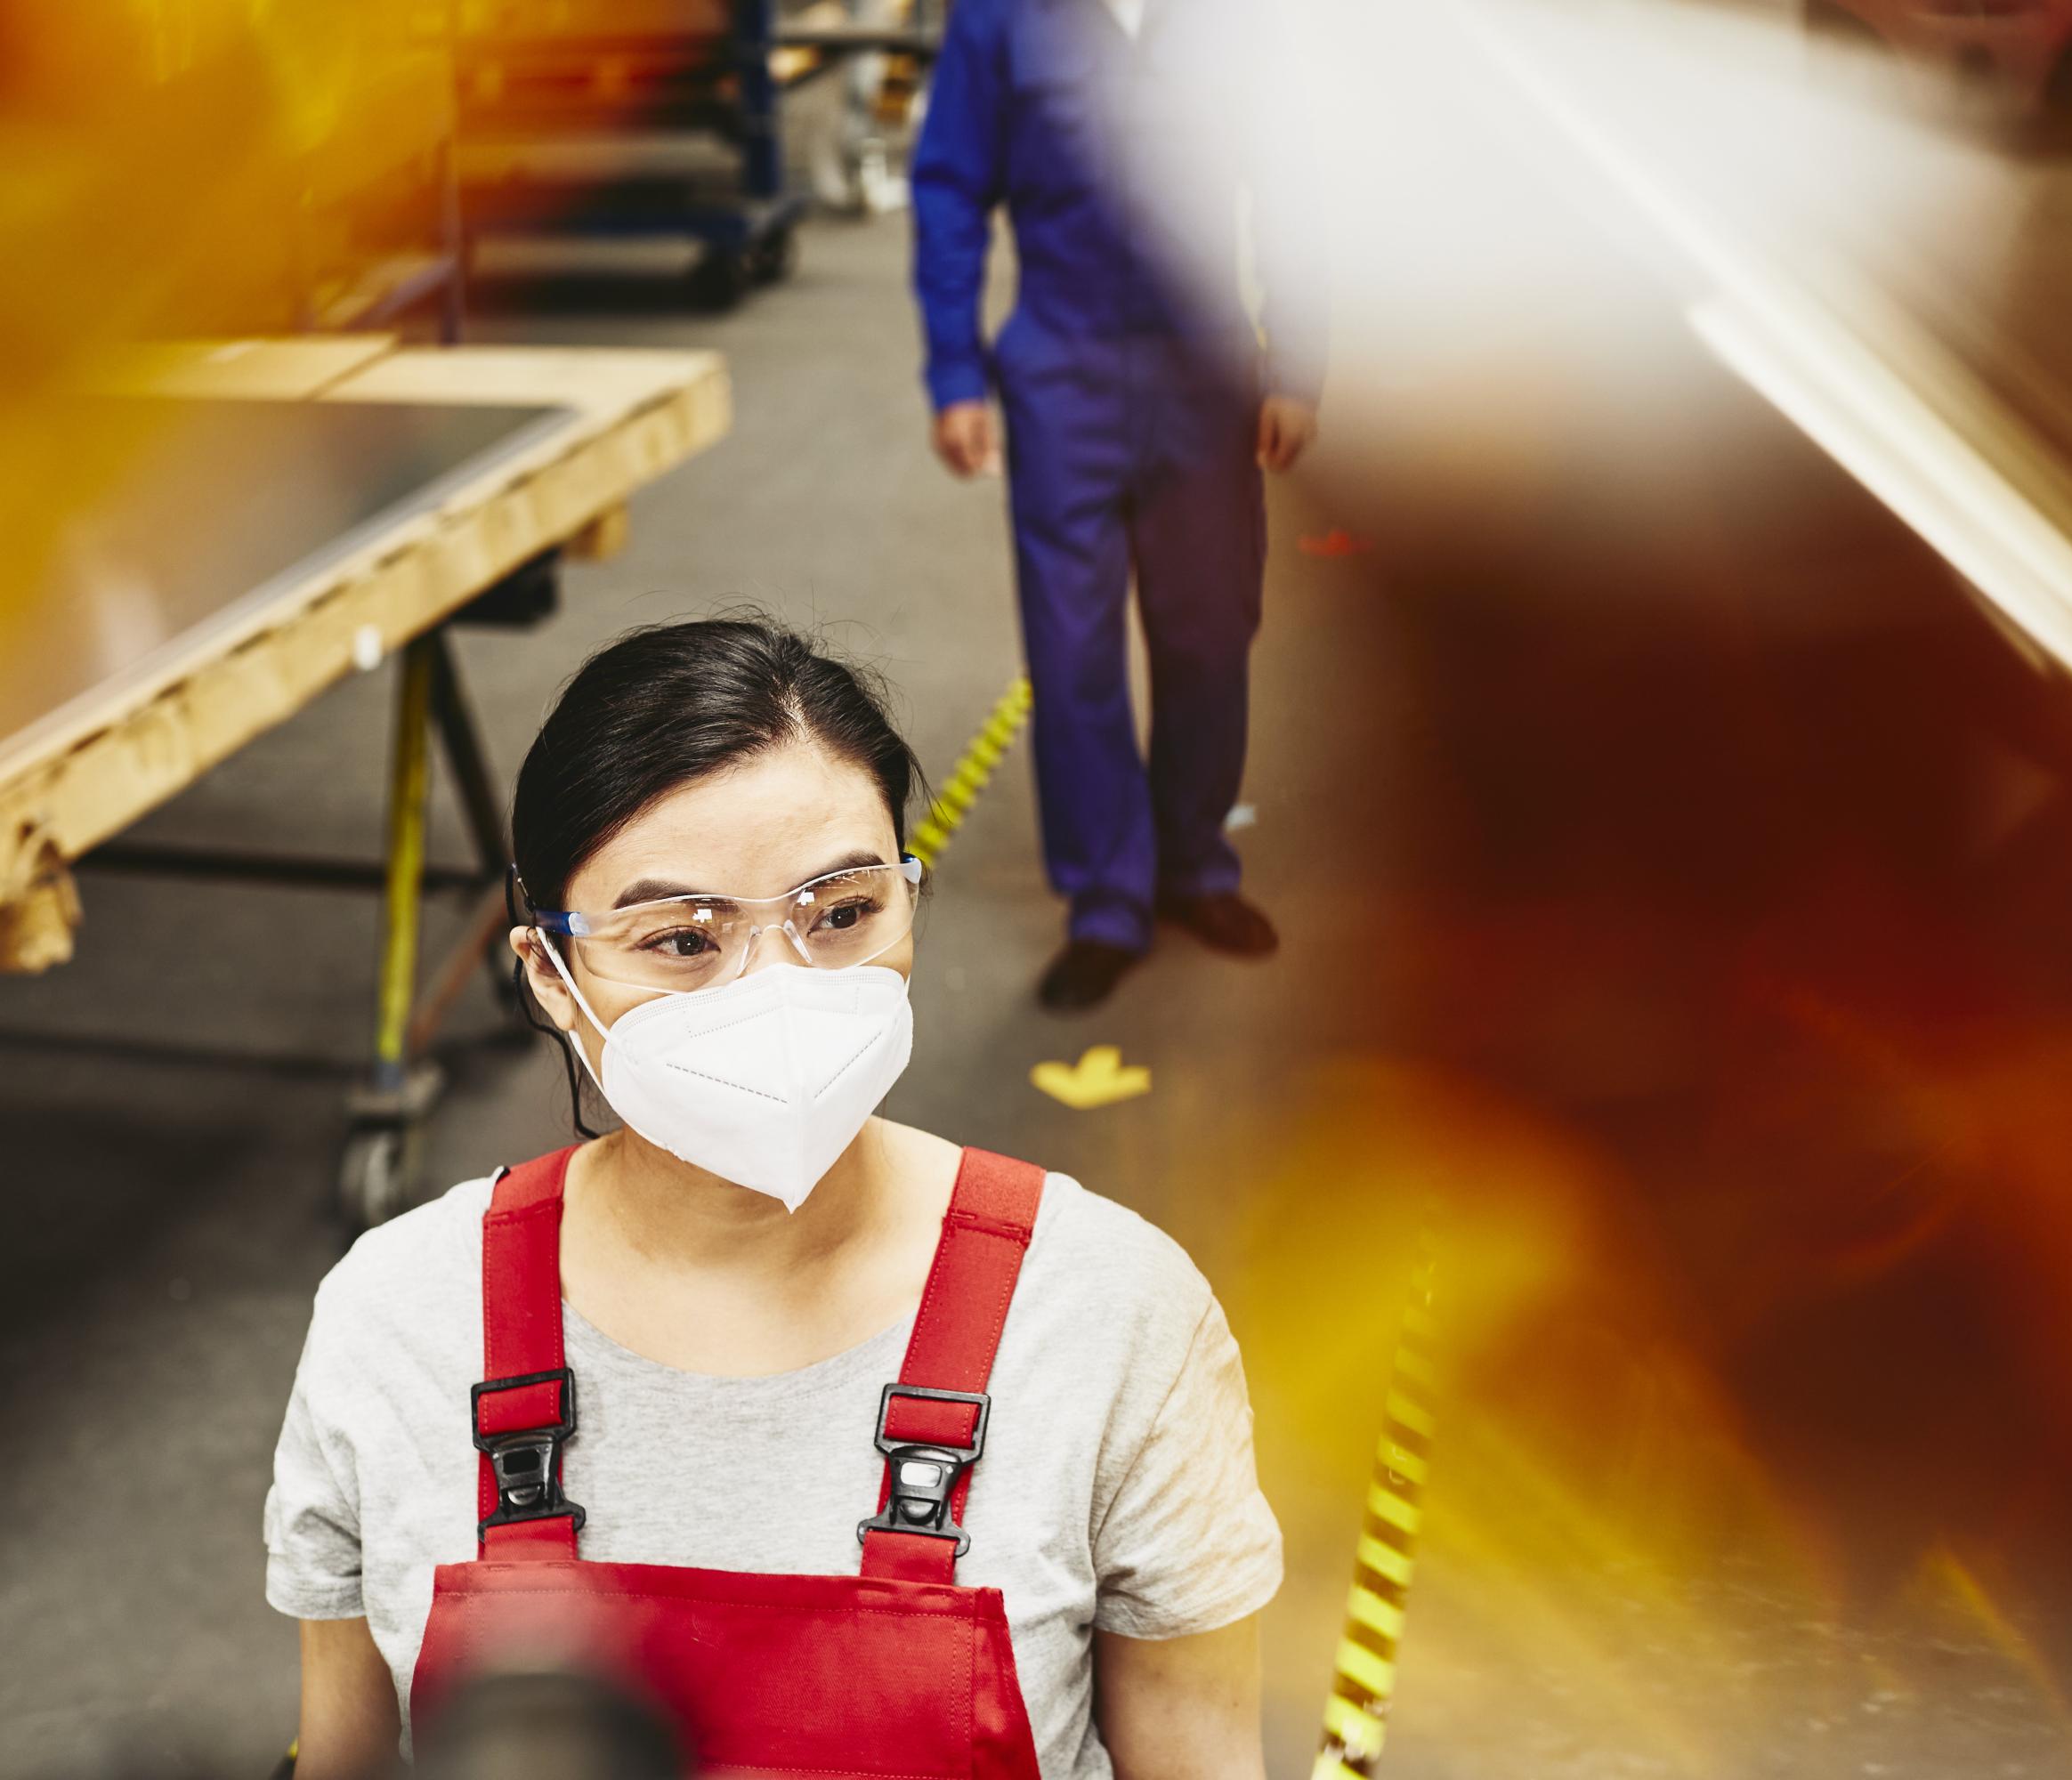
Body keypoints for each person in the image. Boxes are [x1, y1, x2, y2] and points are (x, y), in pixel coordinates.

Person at [264, 620, 1280, 1779]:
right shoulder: (399, 1316)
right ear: (549, 972)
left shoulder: (1105, 1310)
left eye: (841, 914)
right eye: (684, 938)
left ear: (909, 903)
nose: (778, 992)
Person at [911, 0, 1328, 1011]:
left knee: (1210, 631)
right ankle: (1107, 898)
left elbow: (1298, 182)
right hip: (1066, 376)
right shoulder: (1003, 19)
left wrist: (1299, 359)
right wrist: (957, 371)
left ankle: (1192, 869)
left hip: (1208, 372)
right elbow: (951, 186)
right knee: (1072, 649)